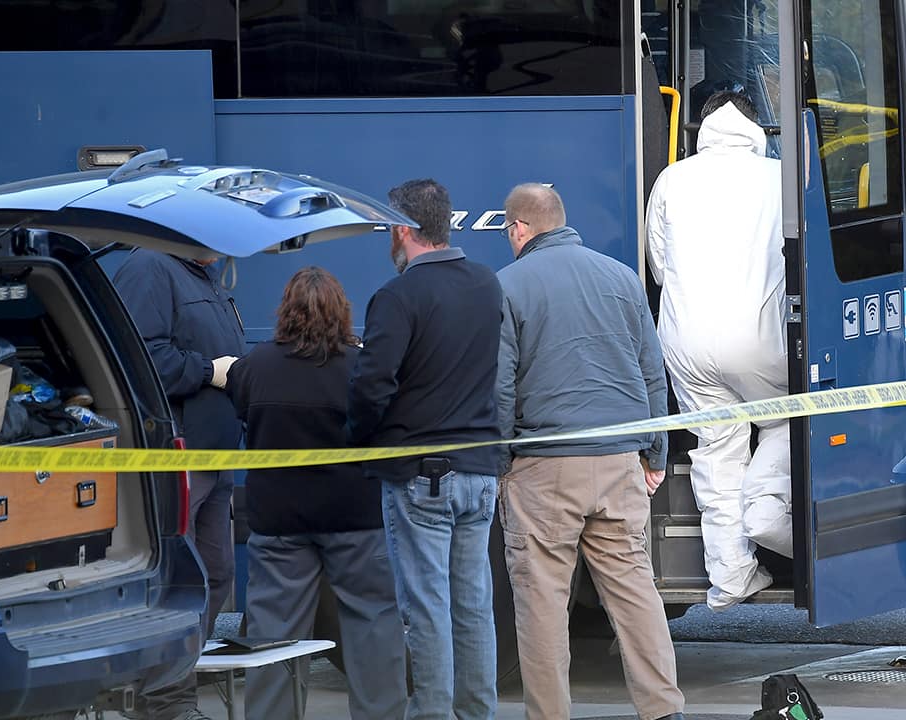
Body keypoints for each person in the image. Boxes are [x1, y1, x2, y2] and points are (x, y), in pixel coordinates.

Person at [495, 183, 686, 720]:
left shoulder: (507, 286)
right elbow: (652, 370)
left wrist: (501, 461)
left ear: (519, 228)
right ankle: (664, 709)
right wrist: (655, 453)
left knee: (542, 603)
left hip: (543, 465)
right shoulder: (621, 278)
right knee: (634, 592)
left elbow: (500, 385)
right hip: (620, 463)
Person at [346, 178, 503, 720]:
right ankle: (474, 713)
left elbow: (372, 384)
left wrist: (359, 439)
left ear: (403, 230)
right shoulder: (486, 283)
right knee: (473, 607)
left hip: (420, 474)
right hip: (480, 469)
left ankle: (434, 715)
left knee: (427, 609)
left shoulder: (397, 296)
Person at [225, 267, 407, 720]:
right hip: (355, 516)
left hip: (279, 520)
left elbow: (242, 408)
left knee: (273, 634)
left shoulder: (255, 366)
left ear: (285, 312)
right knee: (373, 624)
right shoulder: (359, 366)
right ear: (341, 313)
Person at [644, 91, 792, 611]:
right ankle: (768, 518)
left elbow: (659, 268)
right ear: (757, 127)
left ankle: (731, 576)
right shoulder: (779, 179)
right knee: (783, 422)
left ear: (703, 127)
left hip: (684, 341)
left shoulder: (671, 179)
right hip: (759, 340)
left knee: (717, 449)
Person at [114, 249, 244, 720]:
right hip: (177, 452)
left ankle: (174, 686)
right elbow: (141, 357)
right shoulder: (148, 268)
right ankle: (162, 701)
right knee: (178, 580)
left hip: (214, 455)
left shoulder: (202, 276)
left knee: (215, 573)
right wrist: (210, 371)